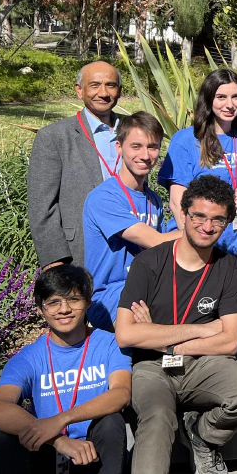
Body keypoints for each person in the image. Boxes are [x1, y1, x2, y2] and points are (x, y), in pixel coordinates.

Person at [115, 175, 237, 474]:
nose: (206, 226)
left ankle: (203, 436)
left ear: (227, 221)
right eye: (198, 216)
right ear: (182, 215)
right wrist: (198, 330)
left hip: (201, 365)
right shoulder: (149, 262)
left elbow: (230, 339)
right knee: (156, 421)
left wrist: (161, 334)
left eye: (217, 219)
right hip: (152, 369)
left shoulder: (226, 266)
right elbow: (126, 335)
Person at [0, 265, 131, 474]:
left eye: (73, 300)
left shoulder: (109, 344)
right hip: (47, 468)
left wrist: (62, 419)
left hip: (95, 463)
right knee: (4, 437)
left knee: (112, 422)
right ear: (41, 309)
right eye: (54, 302)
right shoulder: (29, 357)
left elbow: (121, 394)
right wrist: (59, 439)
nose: (64, 309)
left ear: (88, 303)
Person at [82, 112, 179, 331]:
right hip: (110, 295)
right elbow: (156, 241)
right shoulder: (104, 198)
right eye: (136, 146)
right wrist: (205, 229)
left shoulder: (153, 200)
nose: (145, 155)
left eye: (153, 147)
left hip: (146, 288)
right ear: (119, 147)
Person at [28, 61, 124, 269]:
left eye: (110, 85)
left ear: (119, 91)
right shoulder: (55, 137)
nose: (103, 92)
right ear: (79, 91)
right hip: (80, 250)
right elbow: (41, 207)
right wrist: (55, 261)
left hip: (131, 245)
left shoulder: (134, 130)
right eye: (94, 85)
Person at [158, 69, 237, 255]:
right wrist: (196, 244)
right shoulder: (186, 140)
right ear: (208, 99)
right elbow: (176, 201)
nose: (230, 105)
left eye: (236, 97)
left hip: (236, 244)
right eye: (221, 97)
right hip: (197, 243)